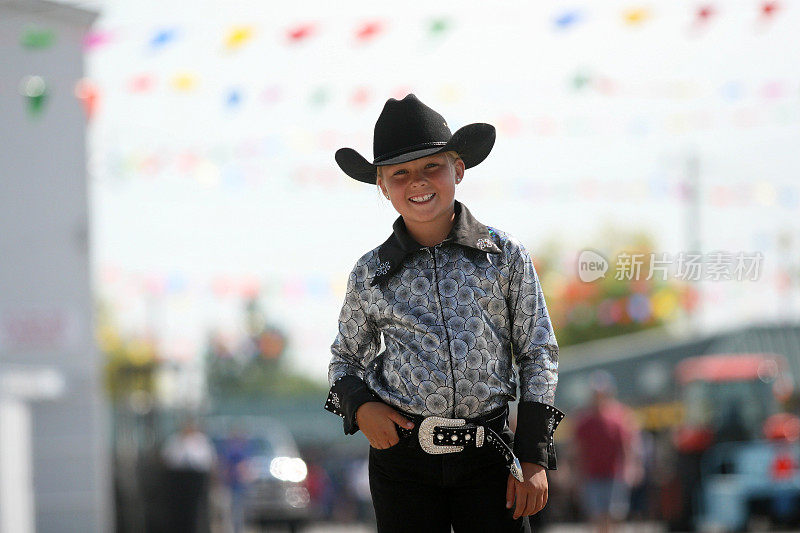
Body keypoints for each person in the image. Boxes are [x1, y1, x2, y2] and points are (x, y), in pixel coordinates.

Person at [323, 94, 565, 532]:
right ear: (381, 185)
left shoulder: (504, 255)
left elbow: (539, 352)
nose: (417, 181)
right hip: (402, 464)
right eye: (400, 173)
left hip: (489, 458)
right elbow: (344, 360)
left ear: (458, 168)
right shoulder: (370, 273)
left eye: (431, 166)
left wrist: (533, 456)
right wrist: (360, 409)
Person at [571, 370, 642, 533]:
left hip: (614, 475)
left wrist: (632, 468)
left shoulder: (620, 416)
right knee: (596, 515)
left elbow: (628, 446)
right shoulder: (584, 420)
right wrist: (575, 475)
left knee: (615, 515)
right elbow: (576, 451)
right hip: (592, 475)